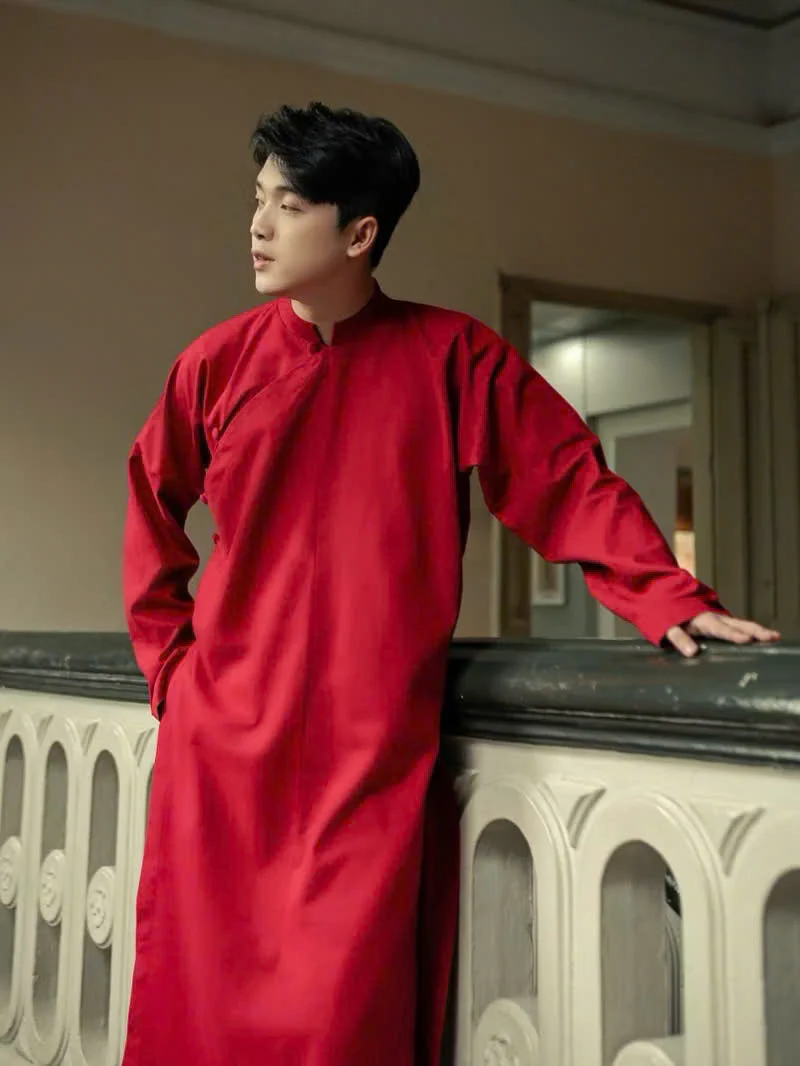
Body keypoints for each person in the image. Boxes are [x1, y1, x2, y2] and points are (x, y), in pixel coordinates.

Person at [121, 102, 779, 1066]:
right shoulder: (215, 365)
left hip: (371, 750)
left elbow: (566, 479)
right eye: (257, 199)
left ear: (359, 233)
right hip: (220, 746)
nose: (257, 226)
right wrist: (171, 666)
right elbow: (150, 498)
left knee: (346, 1013)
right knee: (199, 1006)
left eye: (288, 205)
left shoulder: (453, 358)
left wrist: (667, 594)